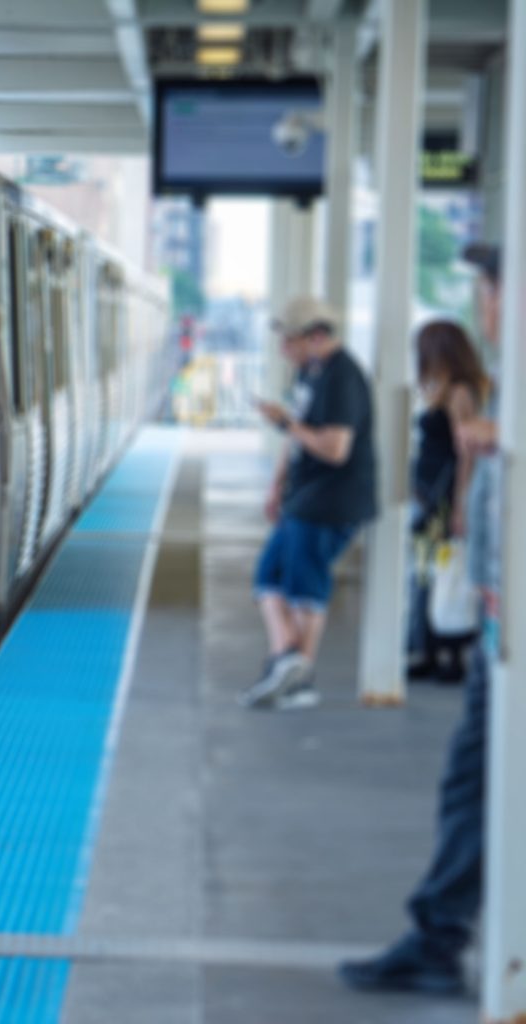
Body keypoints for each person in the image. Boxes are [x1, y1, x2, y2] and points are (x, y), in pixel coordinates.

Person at [339, 243, 502, 996]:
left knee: (474, 785)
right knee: (472, 785)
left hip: (510, 639)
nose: (488, 303)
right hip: (504, 632)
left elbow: (467, 486)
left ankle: (439, 941)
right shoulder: (485, 393)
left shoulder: (478, 398)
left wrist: (473, 500)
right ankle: (439, 935)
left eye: (493, 288)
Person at [240, 296, 377, 710]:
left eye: (290, 339)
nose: (283, 349)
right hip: (304, 498)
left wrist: (285, 422)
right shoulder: (311, 374)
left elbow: (335, 448)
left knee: (304, 588)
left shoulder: (342, 378)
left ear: (316, 336)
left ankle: (298, 678)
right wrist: (276, 484)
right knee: (269, 577)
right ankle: (288, 663)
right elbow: (297, 437)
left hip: (330, 502)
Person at [407, 320, 487, 683]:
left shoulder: (459, 393)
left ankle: (449, 655)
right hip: (430, 496)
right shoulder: (444, 389)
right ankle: (430, 650)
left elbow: (465, 453)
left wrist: (460, 505)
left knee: (444, 573)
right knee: (428, 573)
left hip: (444, 499)